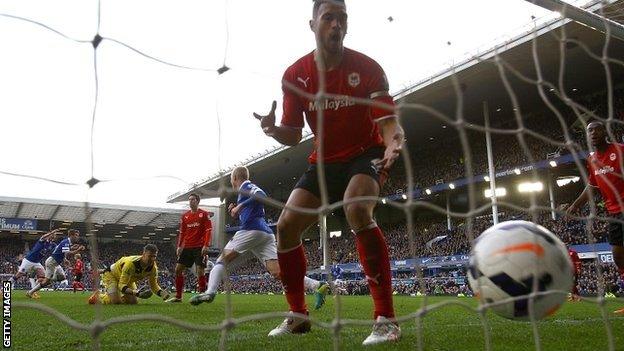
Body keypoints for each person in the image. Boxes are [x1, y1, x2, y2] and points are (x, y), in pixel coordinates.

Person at [253, 0, 404, 345]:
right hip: (324, 161)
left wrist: (394, 143)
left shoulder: (367, 68)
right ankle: (298, 316)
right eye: (329, 18)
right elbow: (292, 135)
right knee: (286, 226)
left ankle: (386, 319)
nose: (337, 25)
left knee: (356, 207)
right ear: (313, 25)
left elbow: (388, 122)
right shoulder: (295, 75)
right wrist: (273, 129)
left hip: (367, 153)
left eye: (342, 19)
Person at [189, 167, 329, 308]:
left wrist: (240, 207)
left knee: (221, 261)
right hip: (265, 234)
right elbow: (252, 205)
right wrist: (236, 210)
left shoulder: (246, 185)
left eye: (231, 179)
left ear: (235, 178)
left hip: (251, 230)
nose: (231, 182)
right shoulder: (244, 192)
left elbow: (261, 194)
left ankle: (210, 292)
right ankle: (317, 285)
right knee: (278, 272)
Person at [567, 121, 624, 313]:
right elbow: (592, 186)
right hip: (614, 213)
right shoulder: (592, 159)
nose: (592, 133)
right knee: (618, 256)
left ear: (605, 132)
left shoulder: (620, 150)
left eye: (596, 129)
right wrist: (576, 204)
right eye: (589, 131)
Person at [88, 244, 172, 304]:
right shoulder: (131, 264)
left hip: (127, 279)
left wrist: (162, 293)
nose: (152, 259)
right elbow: (121, 285)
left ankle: (118, 297)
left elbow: (154, 285)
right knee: (116, 302)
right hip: (112, 275)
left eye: (155, 256)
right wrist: (137, 293)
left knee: (133, 302)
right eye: (150, 256)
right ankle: (98, 296)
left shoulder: (153, 268)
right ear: (143, 254)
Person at [167, 193, 212, 302]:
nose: (190, 201)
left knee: (200, 270)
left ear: (197, 201)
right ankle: (178, 296)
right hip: (187, 247)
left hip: (199, 246)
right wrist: (179, 246)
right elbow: (182, 233)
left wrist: (206, 244)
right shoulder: (185, 216)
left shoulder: (204, 214)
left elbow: (208, 230)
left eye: (192, 199)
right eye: (189, 199)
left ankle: (202, 294)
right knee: (178, 270)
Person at [26, 229, 84, 298]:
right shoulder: (66, 242)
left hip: (55, 263)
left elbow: (63, 251)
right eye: (76, 235)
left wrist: (70, 250)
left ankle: (46, 279)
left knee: (62, 277)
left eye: (78, 235)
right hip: (52, 262)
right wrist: (78, 250)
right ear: (71, 235)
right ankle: (31, 292)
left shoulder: (67, 243)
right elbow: (67, 253)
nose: (77, 237)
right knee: (46, 282)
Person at [10, 229, 60, 298]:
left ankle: (32, 292)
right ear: (49, 234)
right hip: (28, 260)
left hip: (37, 263)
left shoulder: (53, 245)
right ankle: (3, 289)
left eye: (54, 235)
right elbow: (43, 236)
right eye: (52, 234)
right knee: (18, 275)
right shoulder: (42, 241)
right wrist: (51, 232)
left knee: (44, 278)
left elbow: (59, 249)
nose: (53, 236)